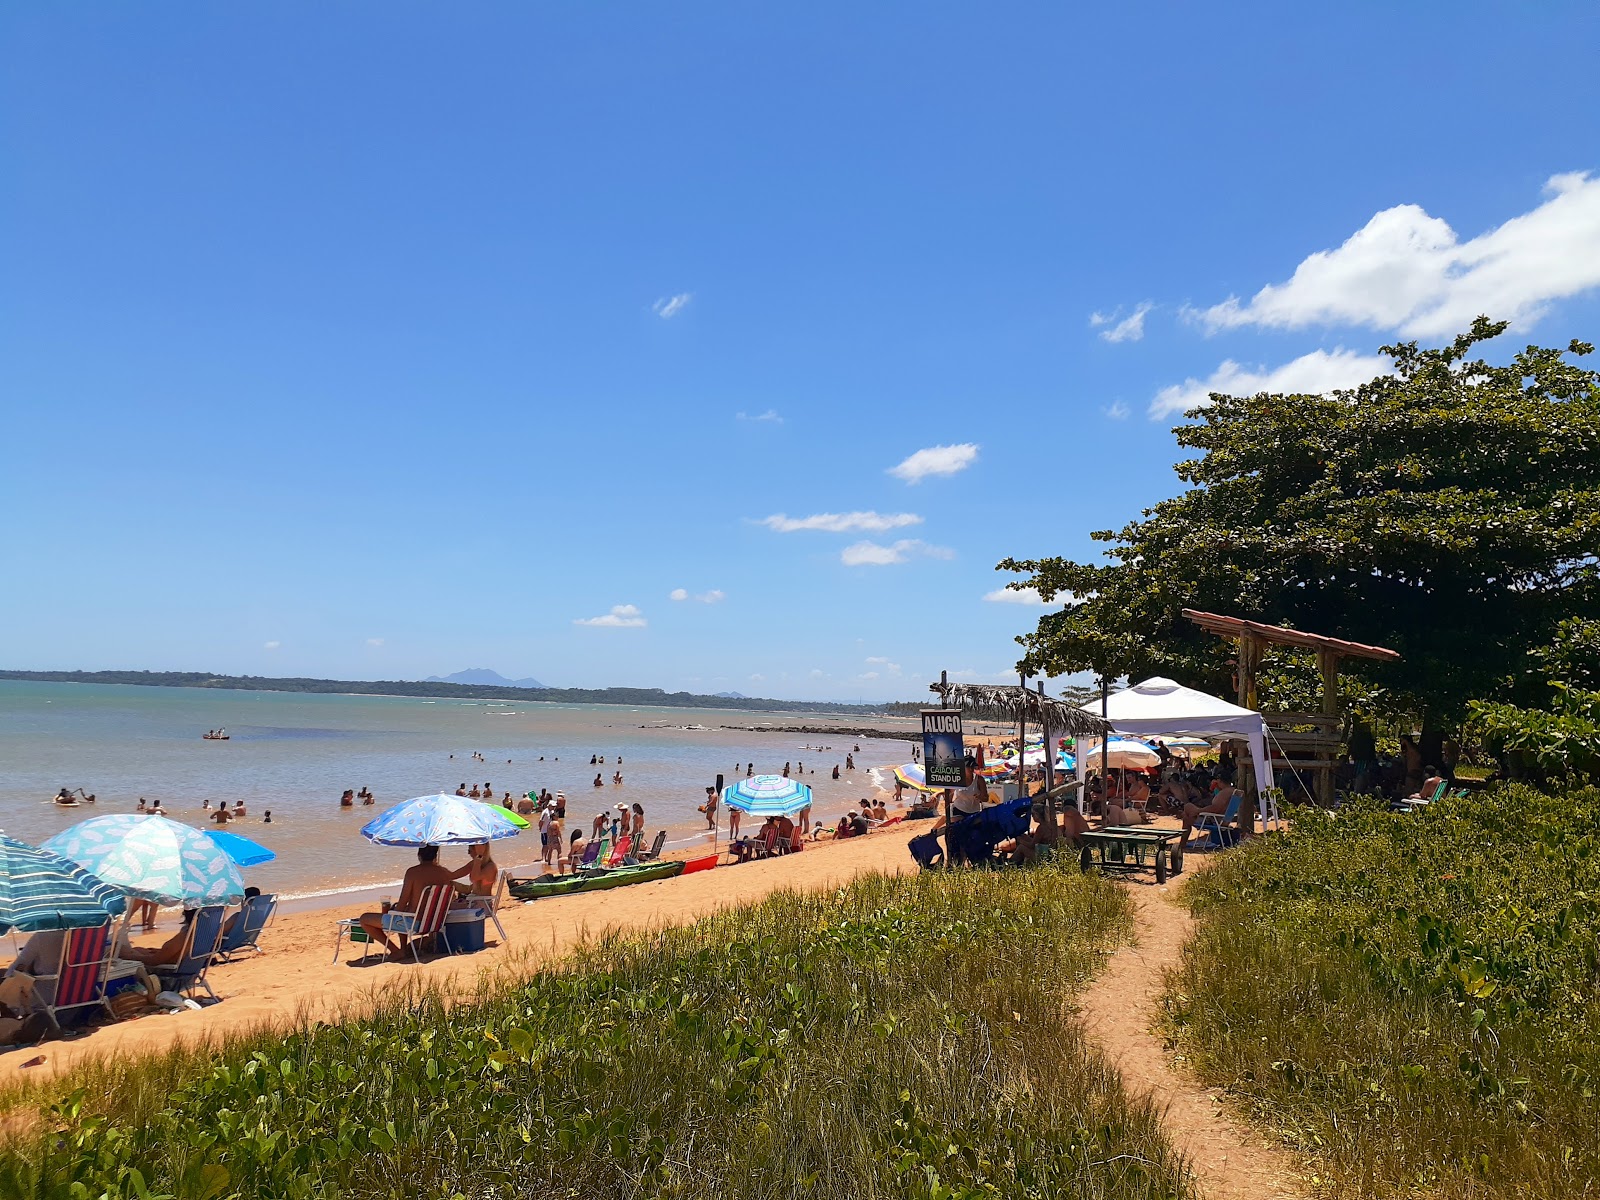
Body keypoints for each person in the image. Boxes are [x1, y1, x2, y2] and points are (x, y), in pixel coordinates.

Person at [357, 846, 457, 961]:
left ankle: (396, 951)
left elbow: (403, 901)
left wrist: (392, 911)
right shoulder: (444, 873)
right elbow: (451, 897)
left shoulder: (412, 872)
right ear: (435, 856)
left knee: (364, 919)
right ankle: (403, 949)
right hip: (435, 924)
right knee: (403, 912)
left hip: (413, 924)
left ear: (419, 855)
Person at [1180, 779, 1238, 846]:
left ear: (1220, 781)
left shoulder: (1225, 792)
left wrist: (1199, 811)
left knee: (1187, 811)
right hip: (1221, 820)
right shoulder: (1232, 791)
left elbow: (1216, 808)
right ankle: (1183, 843)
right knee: (1187, 812)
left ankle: (1182, 844)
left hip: (1215, 821)